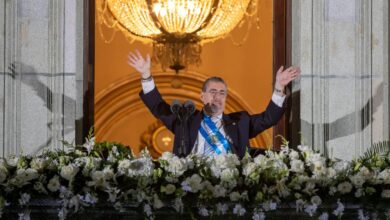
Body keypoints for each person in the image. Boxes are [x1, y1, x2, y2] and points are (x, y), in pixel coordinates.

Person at [128, 50, 300, 158]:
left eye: (222, 93)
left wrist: (279, 86)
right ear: (202, 96)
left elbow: (268, 118)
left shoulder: (241, 122)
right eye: (213, 92)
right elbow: (159, 108)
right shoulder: (185, 120)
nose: (218, 96)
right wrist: (146, 75)